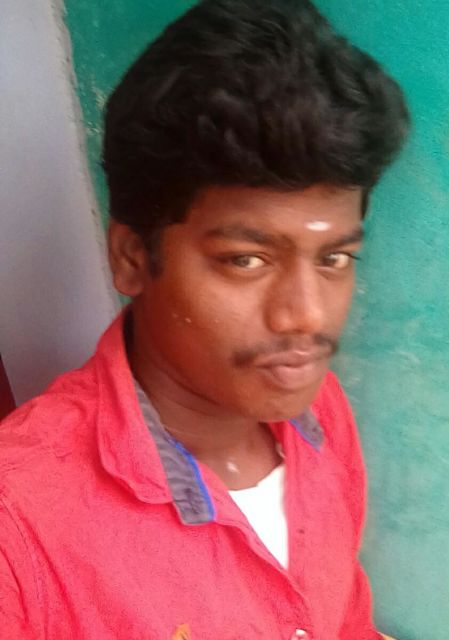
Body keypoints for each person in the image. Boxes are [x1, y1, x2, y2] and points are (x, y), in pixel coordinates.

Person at [0, 0, 408, 637]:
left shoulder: (321, 416)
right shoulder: (20, 531)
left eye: (334, 259)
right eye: (246, 260)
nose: (306, 315)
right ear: (132, 257)